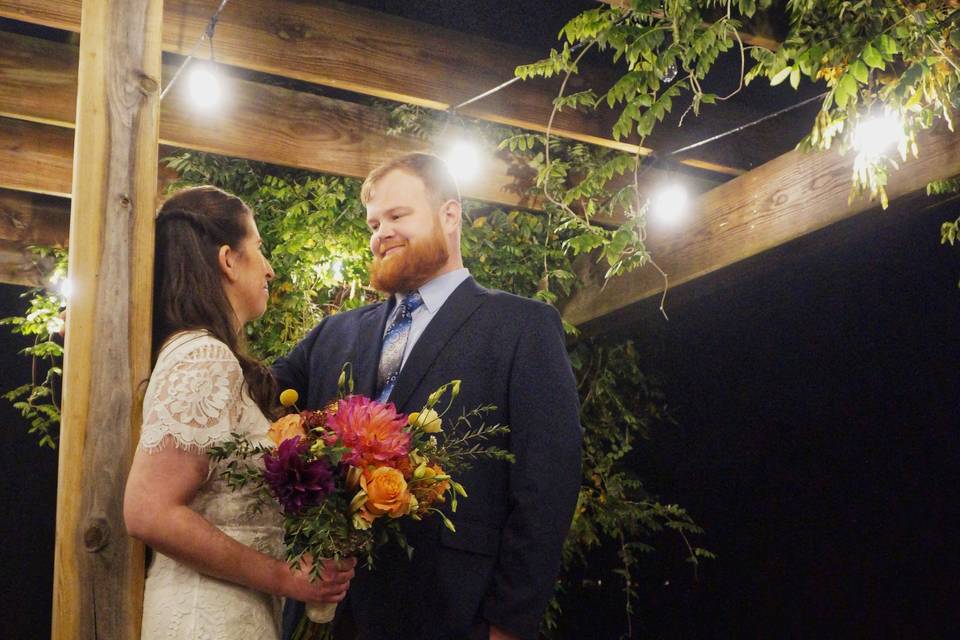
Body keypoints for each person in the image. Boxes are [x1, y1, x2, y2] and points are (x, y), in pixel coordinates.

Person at [275, 153, 582, 640]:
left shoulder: (523, 326)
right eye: (374, 223)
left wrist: (508, 624)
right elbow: (249, 396)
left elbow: (548, 484)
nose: (381, 234)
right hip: (331, 616)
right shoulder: (331, 334)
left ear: (450, 215)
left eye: (398, 216)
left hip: (454, 613)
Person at [123, 185, 356, 639]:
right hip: (204, 618)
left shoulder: (203, 354)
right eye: (260, 249)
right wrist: (284, 577)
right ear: (228, 259)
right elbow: (148, 511)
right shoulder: (203, 357)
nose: (268, 268)